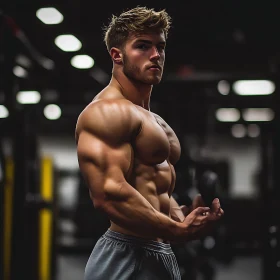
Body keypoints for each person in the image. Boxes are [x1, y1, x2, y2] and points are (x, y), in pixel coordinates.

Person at [75, 6, 224, 280]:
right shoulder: (106, 112)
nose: (156, 55)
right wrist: (175, 230)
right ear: (117, 55)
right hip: (125, 253)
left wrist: (185, 216)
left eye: (160, 47)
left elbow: (155, 193)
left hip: (160, 251)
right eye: (143, 46)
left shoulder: (154, 121)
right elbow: (109, 194)